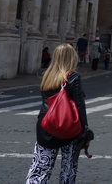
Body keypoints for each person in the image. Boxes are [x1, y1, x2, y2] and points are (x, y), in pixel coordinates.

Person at [26, 44, 90, 184]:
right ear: (72, 57)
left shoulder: (47, 75)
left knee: (41, 167)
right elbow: (79, 105)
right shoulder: (73, 77)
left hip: (46, 126)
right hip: (68, 127)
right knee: (68, 169)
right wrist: (85, 130)